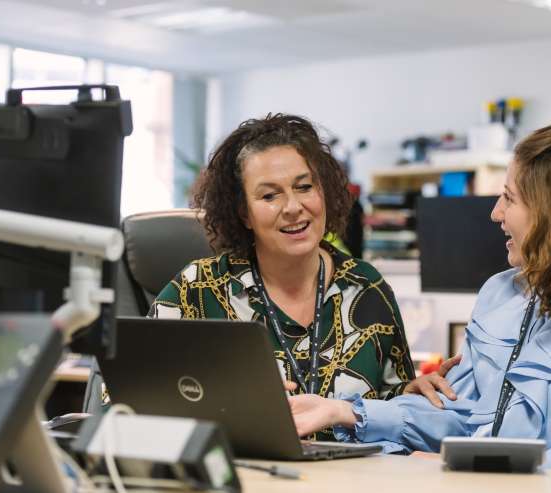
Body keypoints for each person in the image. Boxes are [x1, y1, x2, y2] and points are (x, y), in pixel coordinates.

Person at [287, 116, 551, 470]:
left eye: (509, 198)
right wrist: (343, 412)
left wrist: (476, 466)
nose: (495, 213)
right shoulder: (501, 294)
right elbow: (462, 416)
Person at [148, 113, 449, 439]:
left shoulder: (366, 287)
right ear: (243, 214)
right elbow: (126, 399)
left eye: (304, 187)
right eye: (269, 195)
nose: (293, 206)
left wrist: (413, 394)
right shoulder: (198, 289)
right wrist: (222, 403)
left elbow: (392, 406)